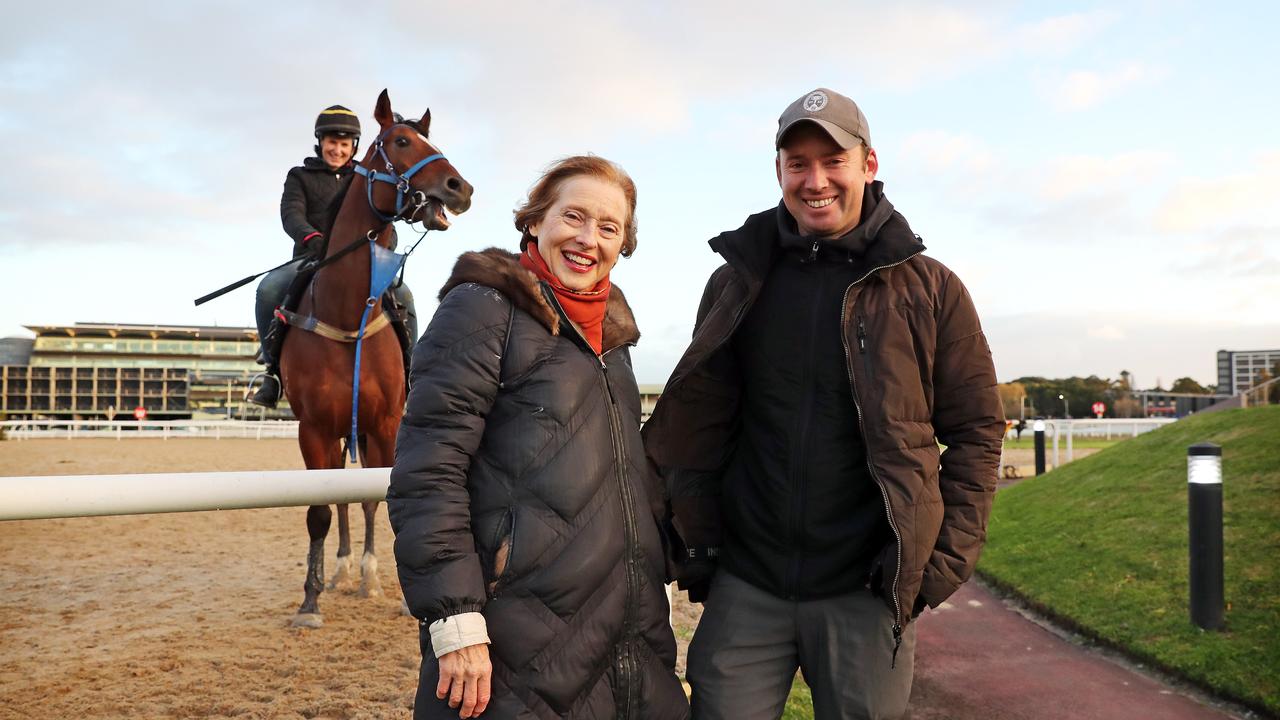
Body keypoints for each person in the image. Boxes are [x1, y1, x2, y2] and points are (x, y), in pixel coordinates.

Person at [643, 88, 1004, 720]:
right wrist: (694, 536)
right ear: (778, 171)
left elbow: (976, 430)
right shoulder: (737, 278)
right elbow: (703, 419)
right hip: (748, 582)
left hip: (864, 590)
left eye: (833, 160)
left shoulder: (932, 288)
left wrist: (941, 563)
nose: (816, 181)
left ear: (868, 164)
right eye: (797, 163)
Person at [387, 156, 689, 720]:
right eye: (572, 216)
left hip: (628, 638)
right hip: (516, 642)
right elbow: (430, 469)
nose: (586, 239)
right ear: (533, 222)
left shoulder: (615, 337)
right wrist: (453, 618)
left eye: (608, 227)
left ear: (623, 244)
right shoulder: (482, 307)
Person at [247, 104, 418, 407]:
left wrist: (386, 245)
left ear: (353, 146)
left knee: (403, 293)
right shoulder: (300, 175)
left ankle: (411, 372)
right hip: (311, 258)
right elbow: (291, 214)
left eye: (343, 144)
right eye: (332, 143)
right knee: (269, 288)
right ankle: (272, 371)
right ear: (321, 142)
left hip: (364, 261)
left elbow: (385, 218)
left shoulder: (367, 177)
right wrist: (313, 239)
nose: (337, 150)